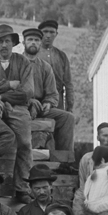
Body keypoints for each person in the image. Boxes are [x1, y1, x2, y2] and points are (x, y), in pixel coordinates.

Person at [0, 24, 37, 203]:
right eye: (0, 42)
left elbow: (27, 92)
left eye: (7, 41)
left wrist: (2, 94)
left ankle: (22, 188)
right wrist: (8, 84)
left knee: (25, 143)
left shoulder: (23, 63)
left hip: (18, 108)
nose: (4, 45)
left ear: (13, 43)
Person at [22, 27, 76, 165]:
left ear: (40, 44)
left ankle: (64, 161)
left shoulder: (45, 67)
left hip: (41, 107)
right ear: (24, 42)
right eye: (30, 40)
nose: (33, 43)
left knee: (67, 118)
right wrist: (29, 101)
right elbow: (12, 91)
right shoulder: (16, 63)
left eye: (36, 40)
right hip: (21, 107)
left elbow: (53, 93)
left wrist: (48, 103)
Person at [38, 21, 74, 113]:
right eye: (45, 32)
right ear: (39, 33)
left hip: (58, 103)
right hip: (37, 102)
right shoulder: (32, 55)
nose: (48, 35)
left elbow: (68, 83)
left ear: (56, 34)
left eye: (52, 32)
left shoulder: (61, 56)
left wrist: (70, 107)